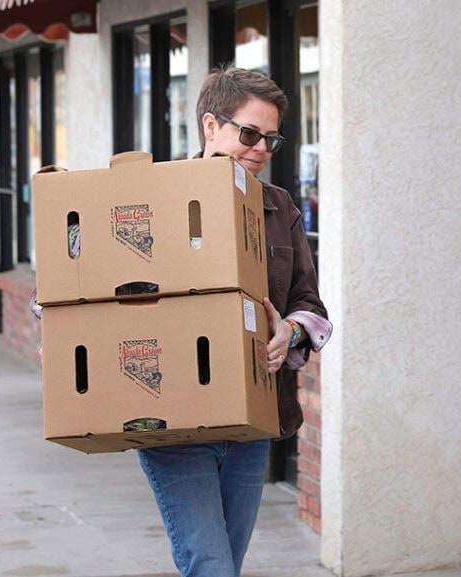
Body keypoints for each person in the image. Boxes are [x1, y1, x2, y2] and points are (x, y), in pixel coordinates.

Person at [135, 66, 331, 577]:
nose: (261, 149)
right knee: (211, 565)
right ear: (209, 126)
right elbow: (71, 286)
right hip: (173, 419)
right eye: (249, 134)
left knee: (226, 566)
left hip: (252, 419)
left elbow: (311, 304)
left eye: (271, 139)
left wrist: (289, 330)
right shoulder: (150, 195)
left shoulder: (279, 206)